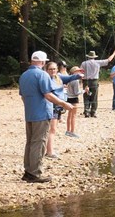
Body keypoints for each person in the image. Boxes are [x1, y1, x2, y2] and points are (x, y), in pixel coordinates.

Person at [19, 51, 73, 183]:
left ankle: (28, 171)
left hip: (30, 113)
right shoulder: (42, 74)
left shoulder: (24, 75)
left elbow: (23, 96)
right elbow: (47, 94)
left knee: (30, 142)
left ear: (32, 61)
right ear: (43, 62)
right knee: (39, 142)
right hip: (42, 114)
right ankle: (35, 173)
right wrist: (64, 104)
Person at [45, 61, 83, 159]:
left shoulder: (59, 77)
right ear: (46, 70)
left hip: (58, 107)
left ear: (57, 69)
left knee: (53, 129)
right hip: (52, 107)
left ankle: (48, 150)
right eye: (50, 69)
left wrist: (79, 75)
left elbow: (70, 78)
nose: (53, 71)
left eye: (54, 69)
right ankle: (49, 152)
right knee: (52, 130)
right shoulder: (46, 79)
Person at [81, 49, 115, 117]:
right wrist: (114, 53)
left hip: (86, 81)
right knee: (94, 97)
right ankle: (93, 112)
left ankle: (86, 111)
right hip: (94, 82)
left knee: (86, 96)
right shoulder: (98, 62)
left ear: (88, 56)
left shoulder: (83, 63)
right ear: (94, 57)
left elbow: (81, 73)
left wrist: (82, 81)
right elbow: (109, 60)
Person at [66, 66, 84, 138]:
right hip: (74, 99)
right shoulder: (76, 81)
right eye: (78, 71)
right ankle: (72, 132)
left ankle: (68, 131)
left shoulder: (69, 79)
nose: (79, 72)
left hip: (68, 98)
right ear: (74, 72)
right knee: (73, 116)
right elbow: (76, 93)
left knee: (69, 115)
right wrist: (84, 91)